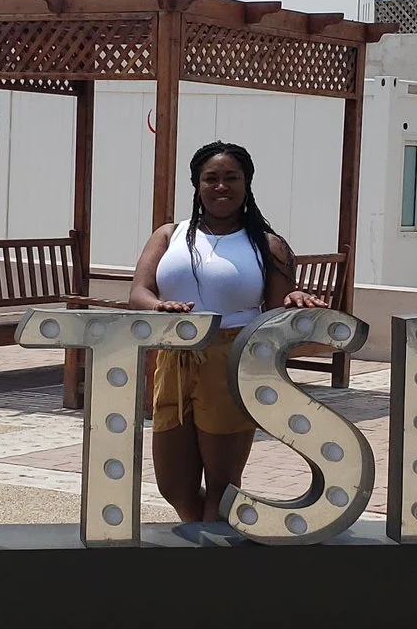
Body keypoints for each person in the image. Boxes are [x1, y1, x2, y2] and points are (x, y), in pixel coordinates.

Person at [131, 140, 327, 524]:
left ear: (246, 183)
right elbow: (139, 291)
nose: (221, 186)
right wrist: (159, 307)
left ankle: (211, 564)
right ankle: (202, 536)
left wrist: (296, 297)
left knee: (222, 486)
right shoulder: (169, 234)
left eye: (231, 178)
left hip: (231, 360)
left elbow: (276, 309)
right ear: (197, 185)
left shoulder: (267, 245)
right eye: (211, 178)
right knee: (173, 485)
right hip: (173, 359)